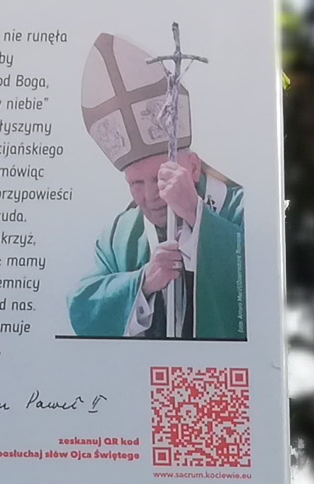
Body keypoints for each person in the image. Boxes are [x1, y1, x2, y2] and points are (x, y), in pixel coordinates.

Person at [69, 144, 248, 340]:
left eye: (160, 178)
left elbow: (260, 283)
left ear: (194, 167)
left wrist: (194, 213)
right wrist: (144, 282)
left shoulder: (245, 208)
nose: (150, 195)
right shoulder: (120, 234)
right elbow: (82, 309)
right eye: (136, 183)